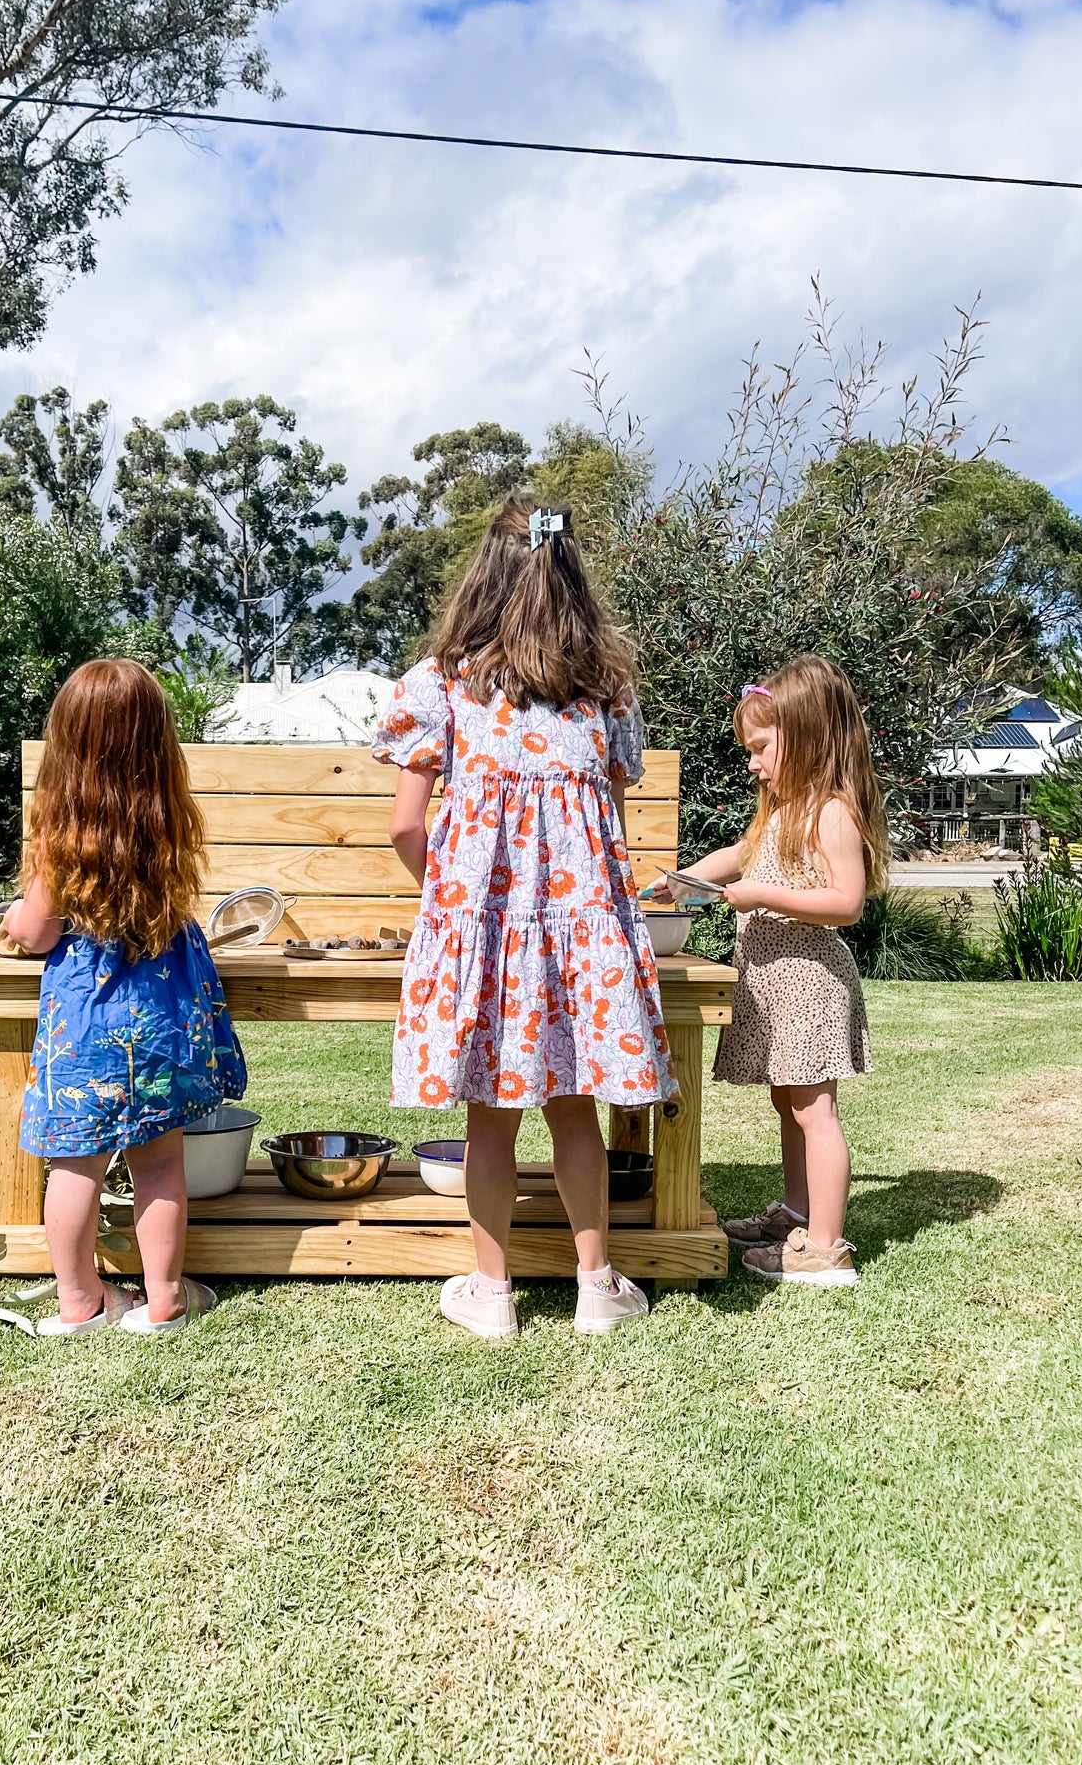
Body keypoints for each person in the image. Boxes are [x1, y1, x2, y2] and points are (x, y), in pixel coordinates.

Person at [372, 496, 677, 1341]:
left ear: (484, 575)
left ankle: (491, 1290)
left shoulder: (441, 685)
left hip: (485, 933)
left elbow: (405, 825)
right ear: (571, 577)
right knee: (574, 1107)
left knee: (489, 1114)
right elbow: (609, 815)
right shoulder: (604, 692)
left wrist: (453, 896)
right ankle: (595, 1285)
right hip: (583, 939)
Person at [0, 658, 247, 1337]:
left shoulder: (59, 835)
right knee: (160, 1159)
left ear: (68, 744)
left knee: (75, 1163)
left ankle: (79, 1302)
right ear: (156, 742)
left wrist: (15, 920)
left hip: (87, 1020)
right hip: (158, 1013)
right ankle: (163, 1299)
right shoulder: (165, 824)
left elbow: (40, 929)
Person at [653, 656, 889, 1287]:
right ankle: (797, 1215)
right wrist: (684, 881)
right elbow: (738, 855)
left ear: (806, 735)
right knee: (789, 1105)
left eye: (760, 748)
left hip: (809, 980)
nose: (752, 763)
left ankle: (828, 1247)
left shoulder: (832, 810)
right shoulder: (783, 808)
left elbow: (847, 902)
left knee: (815, 1111)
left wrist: (762, 895)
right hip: (774, 980)